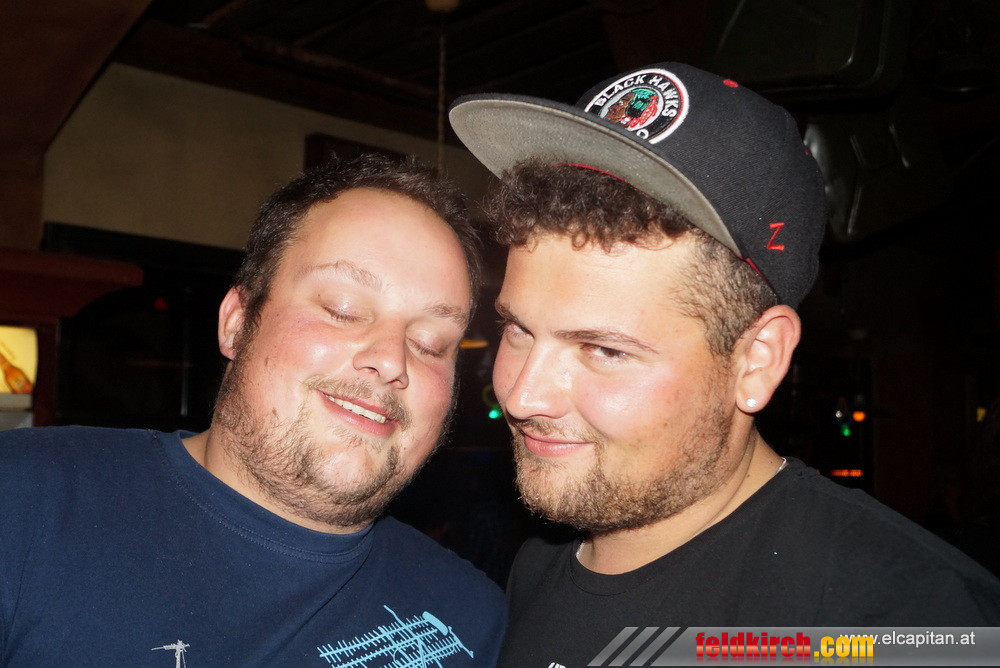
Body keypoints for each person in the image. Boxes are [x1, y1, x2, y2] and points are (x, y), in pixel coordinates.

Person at [449, 62, 1000, 664]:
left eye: (604, 350)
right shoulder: (537, 566)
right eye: (517, 329)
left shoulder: (907, 625)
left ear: (756, 361)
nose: (522, 396)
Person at [0, 154, 506, 666]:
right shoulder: (22, 502)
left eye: (431, 343)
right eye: (343, 310)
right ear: (237, 323)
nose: (392, 360)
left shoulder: (472, 621)